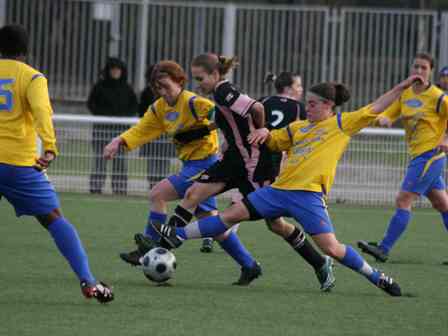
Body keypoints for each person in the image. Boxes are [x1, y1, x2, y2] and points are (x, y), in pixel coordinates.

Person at [151, 74, 425, 296]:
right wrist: (263, 132)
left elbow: (377, 107)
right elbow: (271, 140)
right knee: (231, 214)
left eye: (314, 104)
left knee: (331, 247)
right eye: (307, 102)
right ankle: (178, 235)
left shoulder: (342, 124)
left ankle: (377, 277)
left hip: (309, 197)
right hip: (278, 191)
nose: (308, 107)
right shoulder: (299, 128)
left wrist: (403, 85)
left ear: (329, 105)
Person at [137, 53, 336, 290]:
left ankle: (319, 262)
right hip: (233, 161)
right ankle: (164, 243)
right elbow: (227, 121)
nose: (197, 83)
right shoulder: (217, 95)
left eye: (200, 78)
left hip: (254, 164)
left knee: (276, 224)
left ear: (214, 74)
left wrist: (260, 130)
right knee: (193, 193)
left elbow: (257, 107)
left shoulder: (223, 90)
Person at [104, 60, 264, 284]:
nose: (163, 92)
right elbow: (141, 130)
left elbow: (224, 117)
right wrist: (118, 141)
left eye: (166, 87)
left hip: (206, 163)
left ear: (180, 82)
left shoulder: (193, 102)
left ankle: (147, 249)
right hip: (190, 165)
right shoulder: (159, 108)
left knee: (158, 194)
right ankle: (249, 266)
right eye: (157, 88)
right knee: (214, 227)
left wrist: (202, 131)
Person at [0, 24, 113, 303]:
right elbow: (41, 112)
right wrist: (50, 148)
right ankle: (89, 282)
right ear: (26, 51)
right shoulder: (32, 77)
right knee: (53, 218)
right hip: (17, 164)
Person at [200, 71, 307, 253]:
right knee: (259, 211)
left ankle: (214, 233)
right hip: (271, 160)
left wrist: (229, 144)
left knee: (271, 219)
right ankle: (213, 234)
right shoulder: (298, 108)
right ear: (288, 88)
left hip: (255, 154)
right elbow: (300, 137)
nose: (301, 89)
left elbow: (247, 124)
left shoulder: (264, 100)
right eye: (298, 86)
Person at [358, 53, 448, 264]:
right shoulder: (406, 94)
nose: (418, 71)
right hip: (418, 155)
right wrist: (384, 119)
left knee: (403, 199)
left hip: (429, 156)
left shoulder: (438, 97)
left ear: (430, 71)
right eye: (415, 66)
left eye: (423, 68)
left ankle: (383, 248)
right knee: (443, 204)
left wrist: (445, 137)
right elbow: (391, 113)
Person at [87, 57, 138, 195]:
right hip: (101, 129)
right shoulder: (99, 87)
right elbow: (91, 104)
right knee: (99, 159)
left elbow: (134, 107)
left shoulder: (128, 89)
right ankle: (96, 187)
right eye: (113, 69)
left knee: (120, 161)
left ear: (122, 71)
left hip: (121, 131)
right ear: (108, 71)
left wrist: (122, 117)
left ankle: (120, 188)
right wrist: (103, 115)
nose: (115, 72)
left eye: (118, 69)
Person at [138, 65, 176, 187]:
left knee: (164, 159)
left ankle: (162, 184)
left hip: (166, 131)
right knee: (152, 158)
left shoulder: (171, 93)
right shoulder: (146, 93)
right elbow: (142, 111)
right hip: (152, 131)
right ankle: (153, 183)